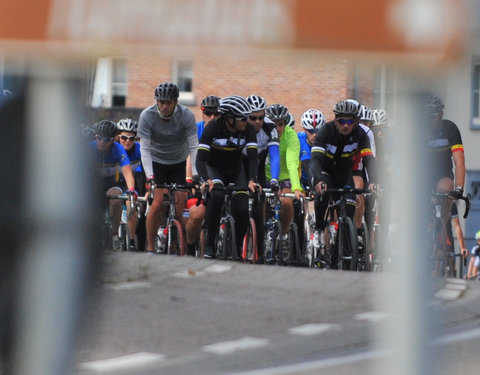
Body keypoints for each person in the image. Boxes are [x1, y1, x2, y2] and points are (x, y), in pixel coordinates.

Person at [309, 100, 377, 268]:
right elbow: (315, 160)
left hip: (344, 174)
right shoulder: (326, 130)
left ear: (355, 121)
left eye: (350, 121)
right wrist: (318, 180)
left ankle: (344, 244)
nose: (345, 125)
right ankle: (318, 228)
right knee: (323, 195)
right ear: (335, 119)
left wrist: (374, 181)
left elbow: (369, 160)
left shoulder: (361, 134)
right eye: (342, 121)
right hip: (325, 171)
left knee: (349, 205)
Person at [137, 82, 198, 254]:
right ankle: (150, 247)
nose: (164, 106)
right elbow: (145, 149)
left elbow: (194, 147)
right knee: (156, 204)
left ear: (176, 102)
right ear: (156, 101)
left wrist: (195, 175)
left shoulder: (186, 115)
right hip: (156, 161)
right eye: (161, 102)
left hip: (178, 161)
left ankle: (176, 242)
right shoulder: (147, 116)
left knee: (179, 209)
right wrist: (150, 177)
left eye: (168, 102)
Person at [196, 95, 258, 259]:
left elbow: (252, 157)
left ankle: (237, 247)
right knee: (216, 196)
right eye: (243, 118)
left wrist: (252, 179)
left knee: (243, 208)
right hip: (214, 168)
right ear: (229, 119)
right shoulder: (213, 128)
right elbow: (200, 160)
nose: (247, 121)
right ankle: (210, 244)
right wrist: (205, 179)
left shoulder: (248, 130)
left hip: (236, 169)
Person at [90, 120, 137, 250]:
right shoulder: (89, 147)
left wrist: (131, 190)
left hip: (110, 185)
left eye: (106, 140)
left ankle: (115, 234)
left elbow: (127, 172)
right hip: (93, 186)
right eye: (99, 138)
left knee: (117, 198)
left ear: (112, 140)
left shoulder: (118, 148)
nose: (102, 142)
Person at [245, 94, 280, 263]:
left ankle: (259, 253)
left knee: (259, 210)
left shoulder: (270, 128)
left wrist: (274, 180)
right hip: (240, 166)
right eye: (253, 118)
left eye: (261, 117)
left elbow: (274, 156)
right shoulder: (241, 126)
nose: (258, 121)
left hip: (258, 168)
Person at [185, 95, 221, 256]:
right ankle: (191, 247)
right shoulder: (195, 130)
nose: (212, 117)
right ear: (202, 114)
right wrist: (191, 180)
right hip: (197, 176)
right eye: (208, 113)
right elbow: (189, 157)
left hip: (218, 177)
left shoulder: (225, 130)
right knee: (197, 215)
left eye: (216, 114)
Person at [265, 104, 304, 252]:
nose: (278, 128)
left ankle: (283, 235)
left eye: (281, 124)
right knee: (259, 202)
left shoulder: (291, 136)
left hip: (285, 176)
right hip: (266, 175)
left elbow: (292, 163)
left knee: (287, 202)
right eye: (275, 124)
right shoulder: (263, 132)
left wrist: (295, 187)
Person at [425, 95, 465, 200]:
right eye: (426, 117)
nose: (429, 121)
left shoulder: (450, 129)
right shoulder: (419, 130)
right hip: (423, 173)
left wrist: (459, 189)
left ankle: (444, 216)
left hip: (443, 174)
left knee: (445, 187)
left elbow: (459, 161)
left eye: (432, 117)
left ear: (440, 114)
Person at [298, 109, 326, 252]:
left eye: (318, 131)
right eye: (310, 131)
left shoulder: (325, 140)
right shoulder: (299, 139)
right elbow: (305, 166)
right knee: (302, 212)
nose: (314, 135)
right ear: (304, 129)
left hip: (317, 179)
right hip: (302, 179)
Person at [116, 118, 146, 251]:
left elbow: (146, 171)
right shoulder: (113, 149)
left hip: (132, 182)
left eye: (131, 138)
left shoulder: (139, 150)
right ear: (118, 137)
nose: (127, 141)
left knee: (131, 203)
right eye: (124, 137)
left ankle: (132, 239)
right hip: (116, 182)